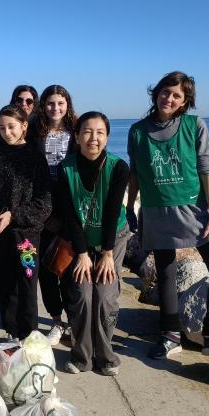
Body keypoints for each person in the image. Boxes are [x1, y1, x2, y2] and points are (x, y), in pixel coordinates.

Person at [127, 71, 209, 359]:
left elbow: (206, 170)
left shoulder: (194, 125)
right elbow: (135, 172)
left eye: (177, 95)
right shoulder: (137, 131)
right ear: (156, 93)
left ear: (185, 101)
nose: (169, 98)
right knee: (166, 273)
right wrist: (129, 206)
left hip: (195, 210)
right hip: (156, 210)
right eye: (165, 91)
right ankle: (170, 335)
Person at [56, 112, 129, 375]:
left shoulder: (118, 167)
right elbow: (70, 215)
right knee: (83, 294)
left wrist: (107, 254)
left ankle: (106, 356)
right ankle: (81, 357)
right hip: (81, 242)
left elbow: (111, 213)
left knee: (105, 296)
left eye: (100, 132)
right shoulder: (66, 169)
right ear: (76, 136)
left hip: (112, 239)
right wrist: (82, 253)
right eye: (86, 132)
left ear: (107, 138)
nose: (93, 138)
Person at [0, 105, 52, 341]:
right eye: (2, 128)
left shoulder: (36, 158)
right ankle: (11, 332)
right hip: (0, 233)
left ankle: (29, 336)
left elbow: (44, 204)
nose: (7, 132)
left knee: (27, 286)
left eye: (11, 127)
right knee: (5, 283)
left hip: (26, 237)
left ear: (24, 126)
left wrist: (13, 215)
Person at [29, 85, 78, 346]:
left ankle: (74, 321)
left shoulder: (77, 131)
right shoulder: (34, 130)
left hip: (69, 206)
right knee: (46, 268)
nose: (55, 108)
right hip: (41, 205)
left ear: (67, 104)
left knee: (69, 267)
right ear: (43, 105)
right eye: (50, 103)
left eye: (60, 103)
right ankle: (56, 321)